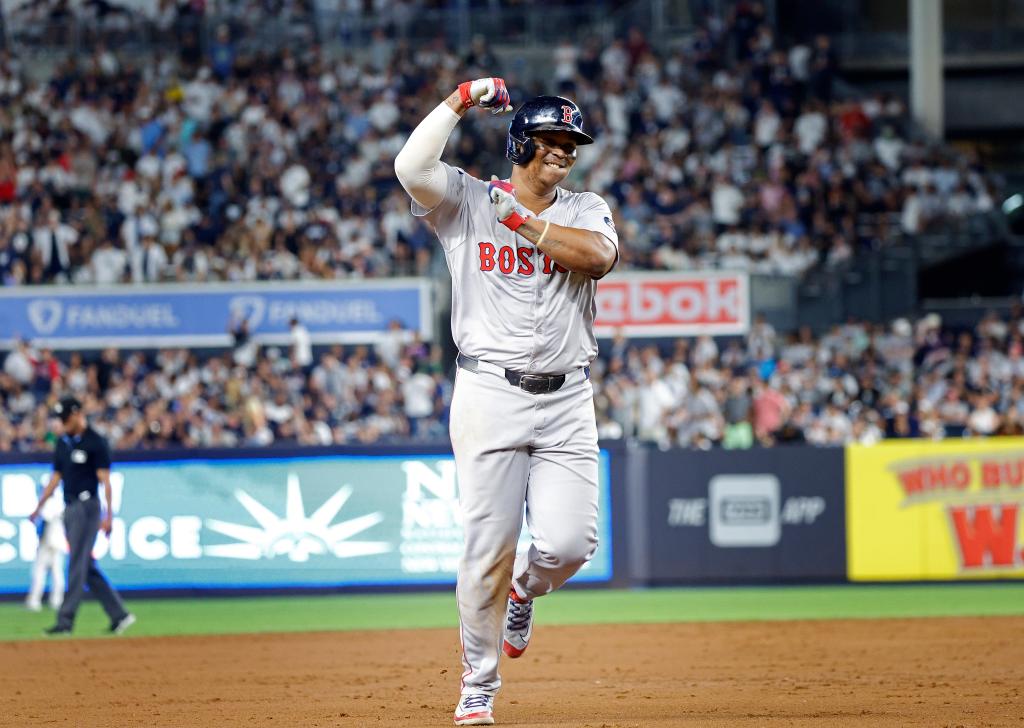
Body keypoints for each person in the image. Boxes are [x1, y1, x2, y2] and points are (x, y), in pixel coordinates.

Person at [395, 77, 618, 726]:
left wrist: (520, 220)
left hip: (567, 395)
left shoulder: (582, 208)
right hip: (488, 390)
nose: (566, 151)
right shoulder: (466, 199)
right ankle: (479, 688)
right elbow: (411, 166)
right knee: (485, 547)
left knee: (570, 546)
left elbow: (599, 258)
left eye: (571, 143)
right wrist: (461, 99)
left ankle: (528, 587)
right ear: (522, 140)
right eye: (554, 138)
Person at [29, 396, 135, 636]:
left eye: (66, 418)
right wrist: (38, 507)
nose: (63, 423)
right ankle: (120, 614)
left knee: (77, 563)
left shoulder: (95, 442)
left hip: (88, 507)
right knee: (85, 565)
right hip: (69, 507)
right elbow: (55, 478)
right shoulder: (63, 443)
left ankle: (65, 621)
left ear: (78, 414)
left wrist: (109, 515)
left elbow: (105, 482)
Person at [25, 484, 65, 612]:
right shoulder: (61, 503)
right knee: (57, 573)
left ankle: (34, 601)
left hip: (48, 543)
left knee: (40, 572)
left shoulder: (50, 503)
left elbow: (45, 522)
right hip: (58, 543)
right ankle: (57, 601)